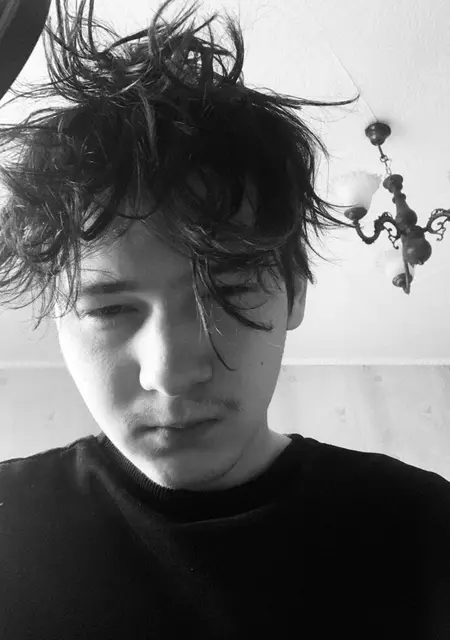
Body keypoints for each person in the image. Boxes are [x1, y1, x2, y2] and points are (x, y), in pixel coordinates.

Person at [0, 0, 448, 638]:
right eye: (109, 308)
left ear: (295, 295)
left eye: (226, 289)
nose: (171, 373)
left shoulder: (425, 529)